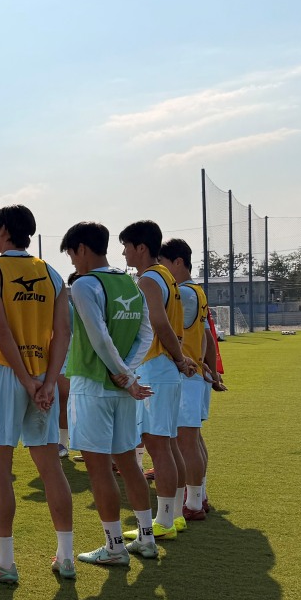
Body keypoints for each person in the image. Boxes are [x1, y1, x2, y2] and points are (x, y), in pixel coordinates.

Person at [0, 205, 73, 585]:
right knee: (51, 468)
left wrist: (27, 382)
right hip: (43, 374)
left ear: (3, 230)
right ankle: (66, 556)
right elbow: (63, 333)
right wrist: (47, 382)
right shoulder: (52, 274)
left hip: (3, 374)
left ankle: (5, 562)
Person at [57, 222, 159, 570]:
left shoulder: (85, 284)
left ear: (82, 249)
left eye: (72, 254)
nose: (73, 262)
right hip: (123, 388)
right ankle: (146, 538)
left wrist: (124, 375)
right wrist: (128, 373)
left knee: (99, 468)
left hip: (94, 386)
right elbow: (146, 334)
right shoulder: (129, 282)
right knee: (128, 462)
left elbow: (98, 336)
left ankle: (114, 546)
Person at [119, 221, 197, 540]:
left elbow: (159, 323)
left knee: (158, 445)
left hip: (155, 367)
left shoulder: (149, 279)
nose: (123, 253)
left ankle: (164, 521)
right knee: (168, 444)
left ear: (141, 247)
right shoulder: (165, 275)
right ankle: (174, 515)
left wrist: (178, 358)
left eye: (126, 246)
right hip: (164, 369)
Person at [160, 238, 213, 522]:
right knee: (193, 439)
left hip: (186, 372)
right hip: (196, 371)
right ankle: (199, 496)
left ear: (178, 262)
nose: (161, 269)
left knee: (186, 442)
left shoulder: (183, 293)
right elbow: (205, 334)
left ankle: (192, 504)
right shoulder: (197, 291)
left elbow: (169, 333)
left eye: (163, 263)